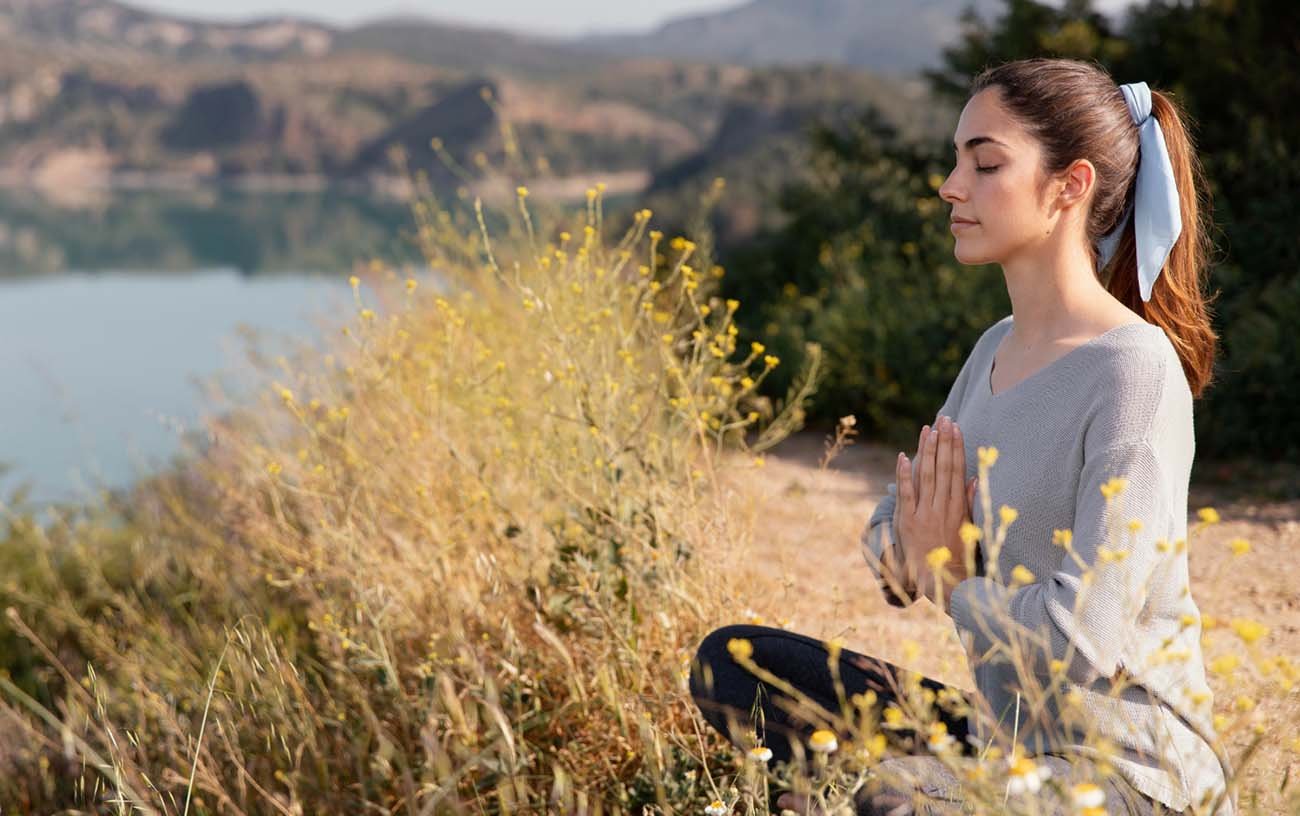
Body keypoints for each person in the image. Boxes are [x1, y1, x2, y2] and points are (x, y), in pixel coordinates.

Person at [689, 57, 1235, 815]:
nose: (952, 186)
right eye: (956, 162)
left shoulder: (1132, 372)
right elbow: (893, 526)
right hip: (1009, 743)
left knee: (897, 798)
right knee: (736, 667)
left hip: (1129, 777)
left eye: (985, 164)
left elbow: (1084, 641)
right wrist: (922, 554)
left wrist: (952, 580)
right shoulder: (996, 348)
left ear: (1070, 186)